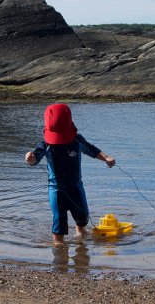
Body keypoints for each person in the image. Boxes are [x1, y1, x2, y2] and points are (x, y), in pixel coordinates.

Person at [25, 103, 115, 245]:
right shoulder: (46, 144)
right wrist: (30, 159)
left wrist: (106, 158)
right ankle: (59, 247)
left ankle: (80, 234)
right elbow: (35, 159)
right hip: (56, 189)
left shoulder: (76, 140)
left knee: (83, 216)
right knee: (59, 219)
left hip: (75, 186)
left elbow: (92, 150)